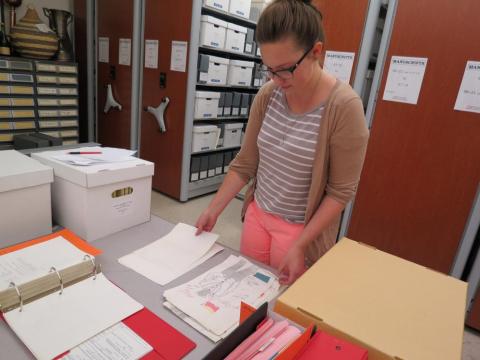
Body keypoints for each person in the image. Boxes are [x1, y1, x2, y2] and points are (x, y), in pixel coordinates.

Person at [195, 0, 369, 284]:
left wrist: (301, 245)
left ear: (316, 51)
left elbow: (340, 192)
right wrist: (214, 208)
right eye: (269, 69)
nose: (276, 79)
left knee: (283, 308)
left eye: (285, 69)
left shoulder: (344, 106)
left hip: (301, 231)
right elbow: (245, 163)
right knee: (246, 292)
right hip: (258, 215)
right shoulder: (268, 95)